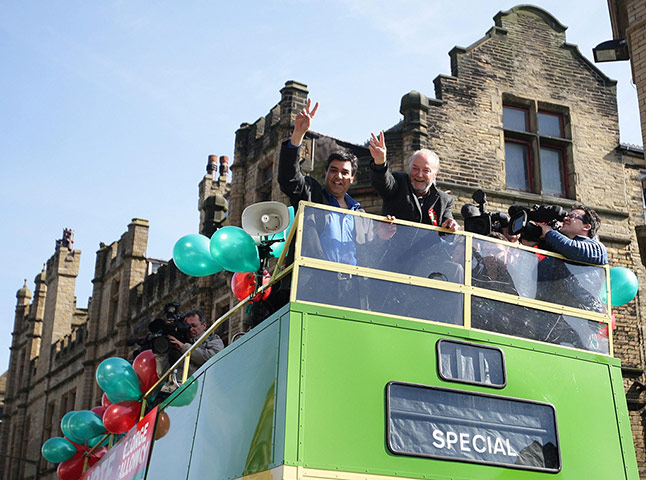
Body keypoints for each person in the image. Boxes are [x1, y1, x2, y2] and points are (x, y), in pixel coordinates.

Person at [368, 131, 459, 231]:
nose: (419, 175)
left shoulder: (444, 200)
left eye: (426, 171)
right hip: (394, 246)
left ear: (435, 174)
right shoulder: (398, 182)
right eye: (415, 168)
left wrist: (452, 226)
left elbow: (447, 231)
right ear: (409, 168)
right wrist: (380, 162)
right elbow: (382, 182)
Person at [538, 205, 607, 265]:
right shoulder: (560, 249)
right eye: (567, 216)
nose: (565, 218)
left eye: (572, 216)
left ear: (586, 227)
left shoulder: (597, 249)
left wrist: (549, 232)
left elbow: (573, 248)